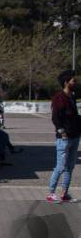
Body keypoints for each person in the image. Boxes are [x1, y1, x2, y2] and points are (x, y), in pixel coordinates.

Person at [47, 70, 80, 203]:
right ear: (66, 82)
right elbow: (55, 118)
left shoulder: (72, 97)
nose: (75, 82)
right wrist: (62, 132)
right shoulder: (58, 98)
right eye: (73, 80)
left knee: (69, 167)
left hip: (75, 136)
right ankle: (51, 193)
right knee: (60, 167)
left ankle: (64, 193)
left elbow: (74, 117)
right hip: (64, 138)